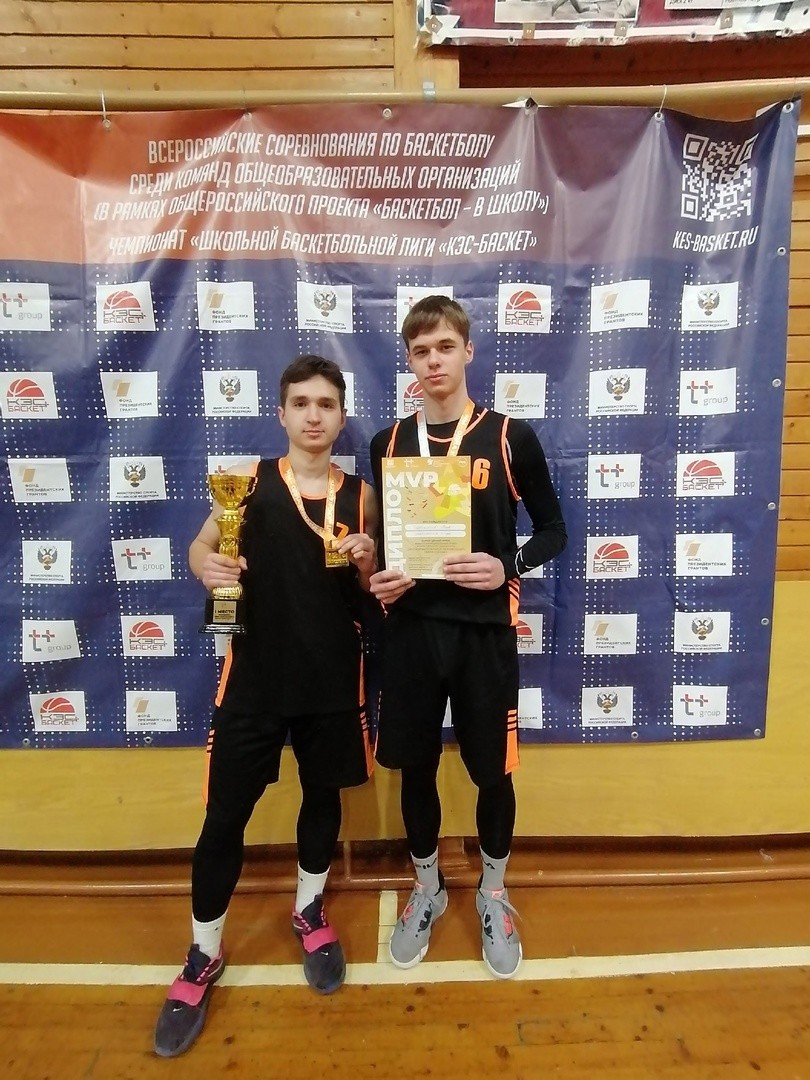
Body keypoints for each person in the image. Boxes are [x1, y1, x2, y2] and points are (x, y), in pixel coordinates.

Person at [154, 355, 378, 1058]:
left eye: (326, 404)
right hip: (252, 680)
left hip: (332, 681)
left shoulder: (362, 497)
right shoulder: (246, 484)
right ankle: (203, 953)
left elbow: (373, 590)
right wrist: (208, 566)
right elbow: (199, 547)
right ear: (281, 414)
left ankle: (309, 909)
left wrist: (368, 561)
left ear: (341, 417)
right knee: (224, 819)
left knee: (322, 799)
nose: (314, 415)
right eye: (301, 403)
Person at [369, 295, 566, 980]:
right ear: (409, 360)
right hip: (412, 634)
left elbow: (554, 531)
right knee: (415, 767)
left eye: (445, 347)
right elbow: (390, 543)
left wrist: (507, 565)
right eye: (421, 351)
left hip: (484, 636)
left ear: (468, 351)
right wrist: (380, 576)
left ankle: (493, 892)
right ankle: (427, 886)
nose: (433, 362)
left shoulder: (510, 437)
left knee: (492, 771)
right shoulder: (389, 442)